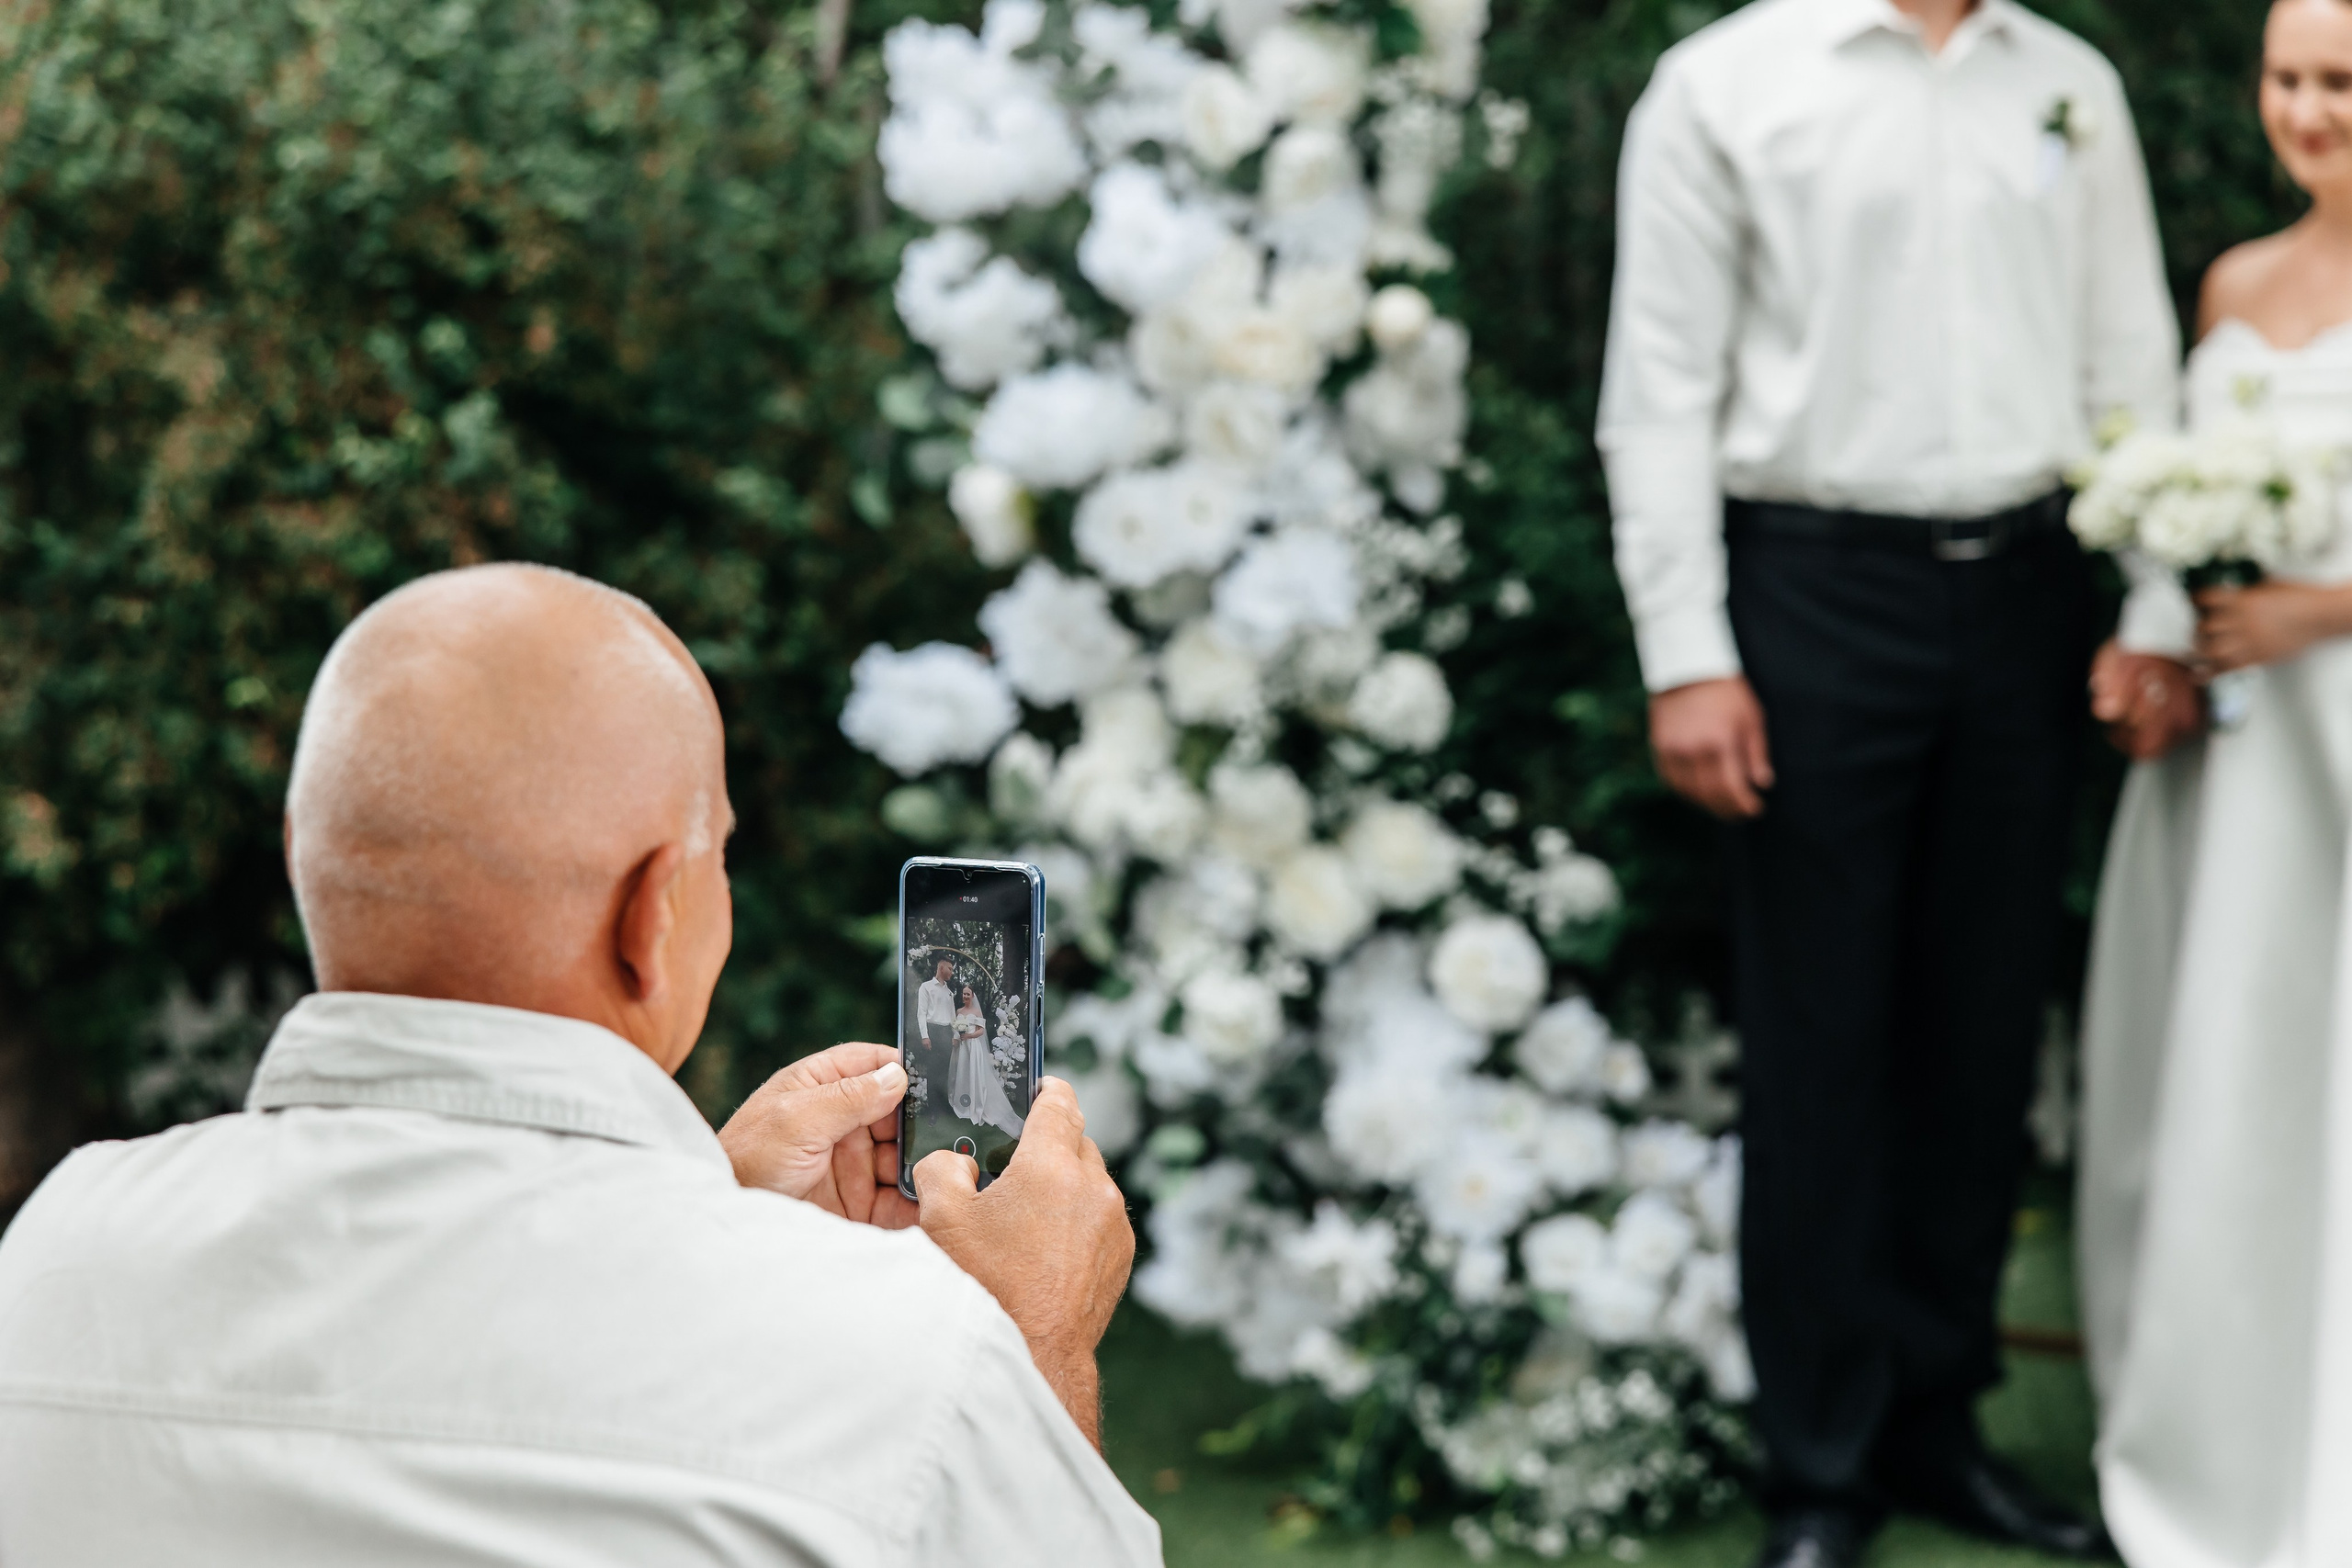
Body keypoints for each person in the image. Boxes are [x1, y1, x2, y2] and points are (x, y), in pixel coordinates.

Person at [0, 563, 1159, 1566]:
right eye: (719, 860)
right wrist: (1035, 1348)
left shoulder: (54, 1251)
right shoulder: (908, 1366)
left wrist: (707, 1209)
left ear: (314, 862)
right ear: (652, 916)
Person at [1597, 0, 2179, 1562]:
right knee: (1820, 1036)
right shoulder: (1725, 85)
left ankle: (1937, 1421)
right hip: (1812, 590)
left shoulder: (2068, 83)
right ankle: (1821, 1466)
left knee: (1982, 1031)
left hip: (2031, 586)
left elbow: (2130, 356)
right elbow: (1659, 386)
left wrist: (2157, 599)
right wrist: (1686, 652)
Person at [2078, 4, 2352, 1562]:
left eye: (2343, 82)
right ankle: (2221, 1448)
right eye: (2288, 79)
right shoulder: (2237, 285)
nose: (2308, 111)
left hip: (2343, 711)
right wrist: (2167, 637)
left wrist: (2323, 611)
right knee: (2241, 1058)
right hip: (2245, 755)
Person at [951, 985, 1027, 1139]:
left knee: (976, 1074)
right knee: (964, 1074)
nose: (965, 996)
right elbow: (956, 1030)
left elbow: (981, 1030)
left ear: (972, 996)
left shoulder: (976, 1012)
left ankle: (980, 1104)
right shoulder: (959, 1012)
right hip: (963, 1048)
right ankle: (967, 1104)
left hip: (974, 1047)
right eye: (964, 994)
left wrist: (969, 1036)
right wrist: (957, 1037)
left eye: (968, 994)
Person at [916, 955, 958, 1100]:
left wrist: (955, 1035)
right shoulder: (926, 987)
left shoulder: (949, 992)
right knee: (933, 1070)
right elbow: (921, 1013)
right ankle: (933, 1108)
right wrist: (925, 1036)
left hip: (946, 1033)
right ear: (941, 967)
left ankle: (944, 1104)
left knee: (945, 1070)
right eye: (950, 969)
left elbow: (953, 1017)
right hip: (933, 1031)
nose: (952, 972)